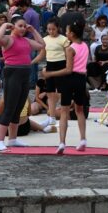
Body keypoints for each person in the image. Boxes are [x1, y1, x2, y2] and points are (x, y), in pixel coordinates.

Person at [0, 17, 45, 151]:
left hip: (24, 75)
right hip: (12, 74)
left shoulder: (26, 40)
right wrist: (5, 24)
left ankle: (12, 139)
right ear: (13, 26)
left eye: (24, 26)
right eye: (20, 26)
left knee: (18, 108)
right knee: (9, 108)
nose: (23, 28)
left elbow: (42, 45)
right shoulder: (8, 39)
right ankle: (0, 140)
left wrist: (33, 30)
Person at [42, 20, 88, 154]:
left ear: (72, 34)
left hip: (69, 80)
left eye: (67, 32)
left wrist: (50, 73)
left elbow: (68, 69)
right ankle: (83, 139)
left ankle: (62, 142)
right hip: (81, 79)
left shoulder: (70, 48)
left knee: (64, 111)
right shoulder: (85, 45)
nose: (66, 33)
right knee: (80, 110)